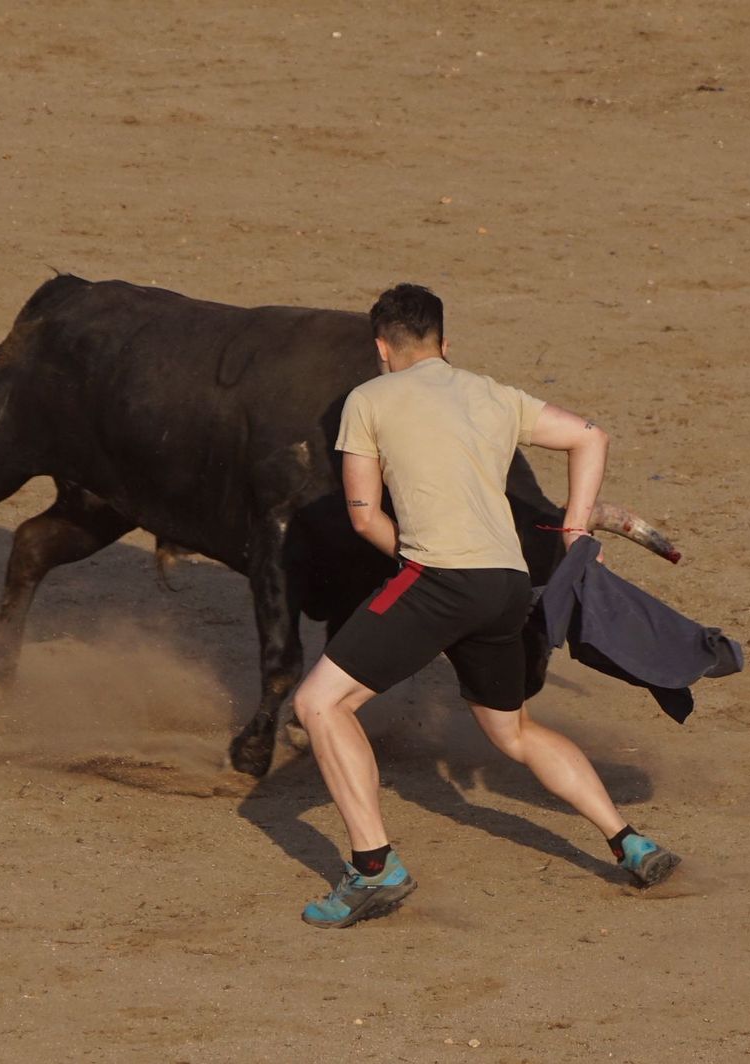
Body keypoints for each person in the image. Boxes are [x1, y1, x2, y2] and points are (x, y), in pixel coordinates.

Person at [292, 283, 680, 929]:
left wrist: (420, 570)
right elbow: (591, 436)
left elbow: (364, 518)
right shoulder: (495, 395)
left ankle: (373, 868)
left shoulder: (368, 398)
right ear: (446, 346)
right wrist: (575, 532)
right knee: (513, 732)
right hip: (506, 584)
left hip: (441, 579)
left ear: (382, 348)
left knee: (318, 703)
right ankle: (629, 841)